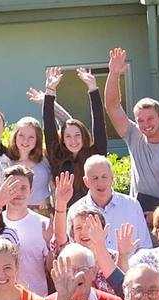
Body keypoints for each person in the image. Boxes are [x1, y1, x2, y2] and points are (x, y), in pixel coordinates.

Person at [104, 47, 159, 209]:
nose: (146, 124)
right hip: (137, 212)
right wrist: (114, 73)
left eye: (150, 118)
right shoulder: (134, 135)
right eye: (140, 120)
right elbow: (112, 106)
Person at [0, 167, 51, 296]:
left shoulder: (44, 224)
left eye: (23, 188)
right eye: (13, 187)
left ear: (31, 191)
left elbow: (51, 269)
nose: (18, 193)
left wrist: (52, 247)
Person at [43, 66, 107, 205]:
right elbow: (48, 124)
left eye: (77, 135)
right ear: (63, 140)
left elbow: (99, 123)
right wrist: (50, 91)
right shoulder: (56, 156)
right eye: (68, 136)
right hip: (66, 215)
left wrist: (93, 89)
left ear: (84, 136)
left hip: (94, 211)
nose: (73, 140)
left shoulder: (95, 155)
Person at [67, 155, 152, 252]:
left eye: (104, 176)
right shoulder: (76, 210)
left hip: (130, 265)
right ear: (86, 181)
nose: (100, 182)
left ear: (112, 177)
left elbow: (145, 247)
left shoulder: (132, 205)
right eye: (95, 178)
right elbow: (71, 249)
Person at [2, 116, 52, 211]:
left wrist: (48, 104)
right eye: (21, 135)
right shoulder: (6, 160)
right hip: (15, 213)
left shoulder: (45, 158)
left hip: (43, 213)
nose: (26, 141)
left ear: (38, 139)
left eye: (31, 137)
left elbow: (69, 124)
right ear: (15, 136)